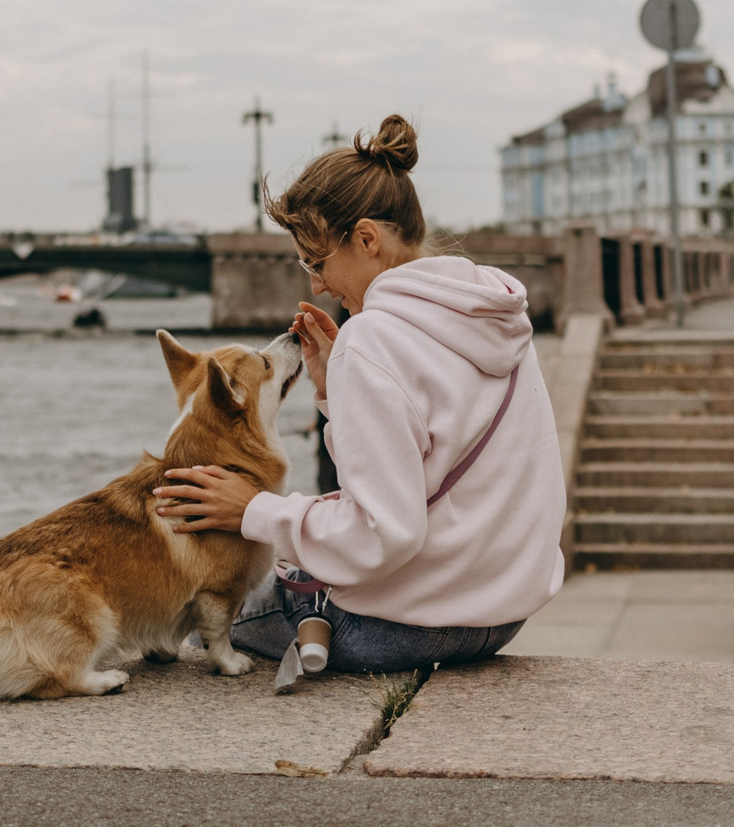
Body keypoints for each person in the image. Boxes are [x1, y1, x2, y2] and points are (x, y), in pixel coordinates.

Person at [151, 115, 564, 674]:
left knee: (193, 623)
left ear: (367, 239)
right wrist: (334, 393)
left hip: (400, 626)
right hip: (500, 616)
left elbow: (380, 534)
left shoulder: (371, 340)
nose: (316, 284)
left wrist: (254, 510)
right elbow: (427, 467)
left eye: (317, 262)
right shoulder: (489, 308)